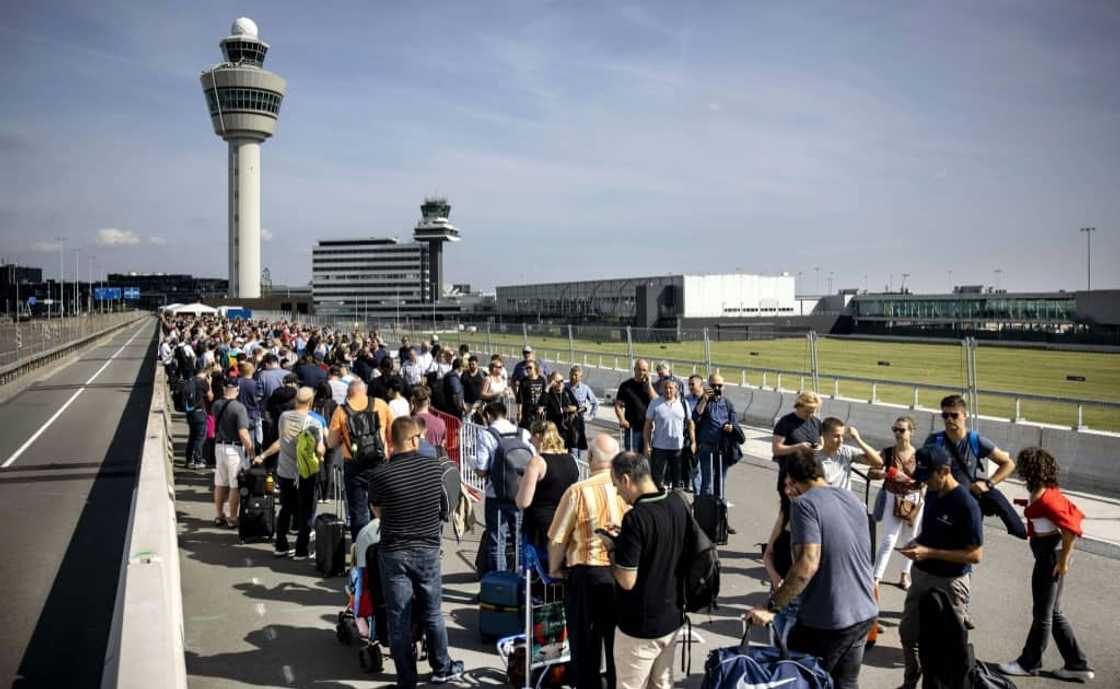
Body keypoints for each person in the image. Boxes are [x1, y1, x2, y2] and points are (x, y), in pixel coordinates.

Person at [746, 447, 878, 689]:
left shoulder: (803, 505)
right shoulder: (851, 498)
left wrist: (771, 607)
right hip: (864, 612)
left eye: (788, 484)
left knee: (799, 679)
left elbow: (807, 563)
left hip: (830, 620)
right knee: (845, 683)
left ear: (792, 481)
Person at [370, 417, 465, 688]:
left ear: (392, 442)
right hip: (427, 549)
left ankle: (406, 679)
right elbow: (443, 505)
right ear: (414, 440)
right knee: (433, 613)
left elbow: (377, 511)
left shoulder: (380, 474)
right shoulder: (433, 468)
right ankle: (442, 666)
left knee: (398, 617)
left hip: (394, 551)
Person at [997, 447, 1093, 681]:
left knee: (1042, 614)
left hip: (1050, 559)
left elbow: (1072, 529)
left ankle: (1029, 663)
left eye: (1022, 466)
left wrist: (1063, 561)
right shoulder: (1044, 491)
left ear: (1029, 470)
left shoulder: (1047, 498)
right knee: (1054, 612)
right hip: (1051, 555)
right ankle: (1077, 664)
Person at [896, 445, 984, 689]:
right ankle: (910, 681)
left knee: (951, 644)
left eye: (928, 477)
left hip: (951, 582)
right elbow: (932, 530)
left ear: (944, 471)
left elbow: (975, 555)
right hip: (922, 574)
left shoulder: (966, 505)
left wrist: (930, 552)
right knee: (908, 634)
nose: (924, 483)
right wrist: (918, 542)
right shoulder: (933, 493)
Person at [547, 434, 628, 689]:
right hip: (620, 573)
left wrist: (554, 568)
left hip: (586, 572)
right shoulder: (627, 489)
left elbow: (558, 538)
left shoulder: (578, 491)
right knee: (616, 644)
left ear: (591, 458)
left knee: (585, 646)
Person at [607, 451, 690, 689]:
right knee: (662, 684)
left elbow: (626, 580)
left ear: (626, 479)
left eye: (616, 485)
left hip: (640, 625)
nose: (618, 493)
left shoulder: (635, 518)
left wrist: (612, 549)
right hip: (672, 616)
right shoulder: (677, 502)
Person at [925, 393, 1021, 536]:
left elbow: (1008, 464)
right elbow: (922, 469)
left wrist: (988, 483)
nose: (949, 419)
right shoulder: (934, 441)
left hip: (968, 506)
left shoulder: (976, 441)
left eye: (954, 415)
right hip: (940, 504)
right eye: (945, 416)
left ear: (965, 415)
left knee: (966, 552)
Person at [255, 386, 325, 558]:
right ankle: (301, 549)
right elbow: (321, 449)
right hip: (305, 473)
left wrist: (263, 455)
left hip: (285, 470)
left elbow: (281, 440)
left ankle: (281, 544)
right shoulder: (314, 423)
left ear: (296, 400)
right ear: (311, 402)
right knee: (306, 510)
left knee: (286, 508)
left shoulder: (284, 418)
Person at [327, 378, 394, 540]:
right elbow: (392, 434)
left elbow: (331, 442)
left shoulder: (341, 411)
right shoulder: (380, 405)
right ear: (365, 391)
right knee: (379, 507)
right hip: (379, 462)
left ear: (349, 394)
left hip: (354, 464)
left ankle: (361, 550)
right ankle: (379, 545)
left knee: (358, 511)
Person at [472, 401, 531, 575]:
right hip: (520, 494)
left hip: (495, 495)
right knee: (520, 541)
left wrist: (472, 464)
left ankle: (500, 584)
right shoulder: (523, 433)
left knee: (497, 542)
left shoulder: (486, 435)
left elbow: (482, 470)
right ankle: (521, 583)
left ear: (488, 416)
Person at [870, 415, 924, 591]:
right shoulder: (888, 452)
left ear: (911, 432)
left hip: (913, 499)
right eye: (895, 430)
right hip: (892, 497)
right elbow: (871, 472)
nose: (897, 433)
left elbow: (926, 479)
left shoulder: (920, 455)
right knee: (888, 540)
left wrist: (912, 483)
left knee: (910, 540)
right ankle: (875, 577)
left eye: (902, 430)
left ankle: (904, 575)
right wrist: (888, 474)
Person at [515, 420, 580, 555]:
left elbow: (523, 502)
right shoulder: (571, 459)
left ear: (538, 437)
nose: (530, 440)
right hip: (566, 522)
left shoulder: (537, 462)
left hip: (541, 526)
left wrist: (520, 485)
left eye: (531, 436)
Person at [210, 376, 255, 527]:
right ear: (237, 390)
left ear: (224, 388)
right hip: (234, 448)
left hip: (218, 446)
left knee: (220, 483)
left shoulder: (216, 404)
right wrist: (251, 449)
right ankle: (232, 518)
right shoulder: (239, 407)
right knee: (235, 485)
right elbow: (243, 433)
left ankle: (218, 514)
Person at [692, 373, 742, 499]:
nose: (717, 389)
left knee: (720, 481)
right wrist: (704, 399)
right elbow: (695, 417)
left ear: (723, 387)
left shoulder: (727, 404)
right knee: (706, 483)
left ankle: (719, 510)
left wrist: (730, 427)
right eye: (714, 386)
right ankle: (704, 511)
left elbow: (735, 423)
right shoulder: (703, 401)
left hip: (722, 449)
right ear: (709, 386)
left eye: (719, 386)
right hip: (706, 448)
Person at [771, 391, 822, 516]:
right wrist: (798, 447)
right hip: (790, 475)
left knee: (810, 513)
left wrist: (819, 447)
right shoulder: (786, 422)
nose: (810, 414)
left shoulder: (816, 422)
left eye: (813, 411)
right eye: (808, 411)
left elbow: (821, 441)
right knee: (788, 512)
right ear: (799, 406)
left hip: (810, 475)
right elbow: (777, 449)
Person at [642, 378, 693, 490]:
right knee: (657, 480)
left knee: (677, 480)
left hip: (677, 448)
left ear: (676, 389)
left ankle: (676, 502)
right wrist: (647, 445)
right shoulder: (655, 403)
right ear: (661, 389)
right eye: (665, 387)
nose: (668, 390)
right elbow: (647, 426)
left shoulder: (684, 404)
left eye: (671, 388)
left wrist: (693, 442)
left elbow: (690, 423)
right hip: (659, 448)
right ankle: (657, 502)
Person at [815, 417, 883, 491]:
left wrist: (857, 439)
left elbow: (878, 462)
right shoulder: (815, 459)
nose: (841, 440)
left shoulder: (846, 451)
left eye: (842, 436)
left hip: (845, 500)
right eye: (836, 436)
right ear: (824, 435)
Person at [614, 360, 655, 454]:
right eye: (639, 369)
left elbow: (655, 401)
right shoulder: (625, 386)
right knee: (632, 458)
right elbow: (618, 405)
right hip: (632, 429)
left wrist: (649, 385)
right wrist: (622, 419)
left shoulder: (651, 386)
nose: (641, 372)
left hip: (648, 429)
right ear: (634, 369)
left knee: (646, 459)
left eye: (644, 370)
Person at [542, 371, 583, 453]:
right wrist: (548, 387)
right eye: (557, 381)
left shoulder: (566, 391)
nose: (560, 383)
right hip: (553, 430)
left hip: (566, 430)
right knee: (554, 453)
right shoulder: (548, 393)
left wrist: (572, 408)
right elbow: (541, 403)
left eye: (562, 381)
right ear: (552, 382)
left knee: (567, 453)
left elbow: (577, 405)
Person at [564, 366, 598, 460]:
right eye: (572, 374)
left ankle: (578, 466)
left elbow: (595, 403)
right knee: (572, 448)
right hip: (566, 421)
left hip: (579, 422)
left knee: (579, 447)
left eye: (576, 375)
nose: (573, 377)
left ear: (580, 377)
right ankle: (575, 466)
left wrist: (590, 416)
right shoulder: (564, 386)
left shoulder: (585, 389)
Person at [183, 367, 213, 470]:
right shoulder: (203, 383)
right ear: (205, 373)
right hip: (200, 413)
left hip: (190, 413)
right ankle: (198, 460)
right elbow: (210, 397)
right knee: (200, 438)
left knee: (192, 436)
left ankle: (189, 460)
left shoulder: (190, 381)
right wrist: (210, 384)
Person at [516, 360, 547, 430]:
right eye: (526, 368)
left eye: (530, 367)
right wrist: (519, 412)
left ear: (535, 368)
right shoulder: (524, 381)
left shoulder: (542, 380)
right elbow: (520, 398)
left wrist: (542, 407)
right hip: (527, 413)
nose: (528, 369)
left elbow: (544, 395)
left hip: (539, 413)